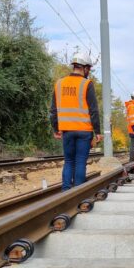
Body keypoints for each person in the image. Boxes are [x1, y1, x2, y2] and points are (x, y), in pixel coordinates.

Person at [50, 52, 102, 191]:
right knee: (80, 162)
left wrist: (56, 129)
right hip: (84, 131)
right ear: (84, 68)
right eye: (89, 69)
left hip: (66, 130)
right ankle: (78, 193)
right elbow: (94, 110)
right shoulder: (86, 84)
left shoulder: (59, 83)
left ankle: (66, 191)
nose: (88, 72)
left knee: (69, 161)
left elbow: (53, 110)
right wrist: (97, 131)